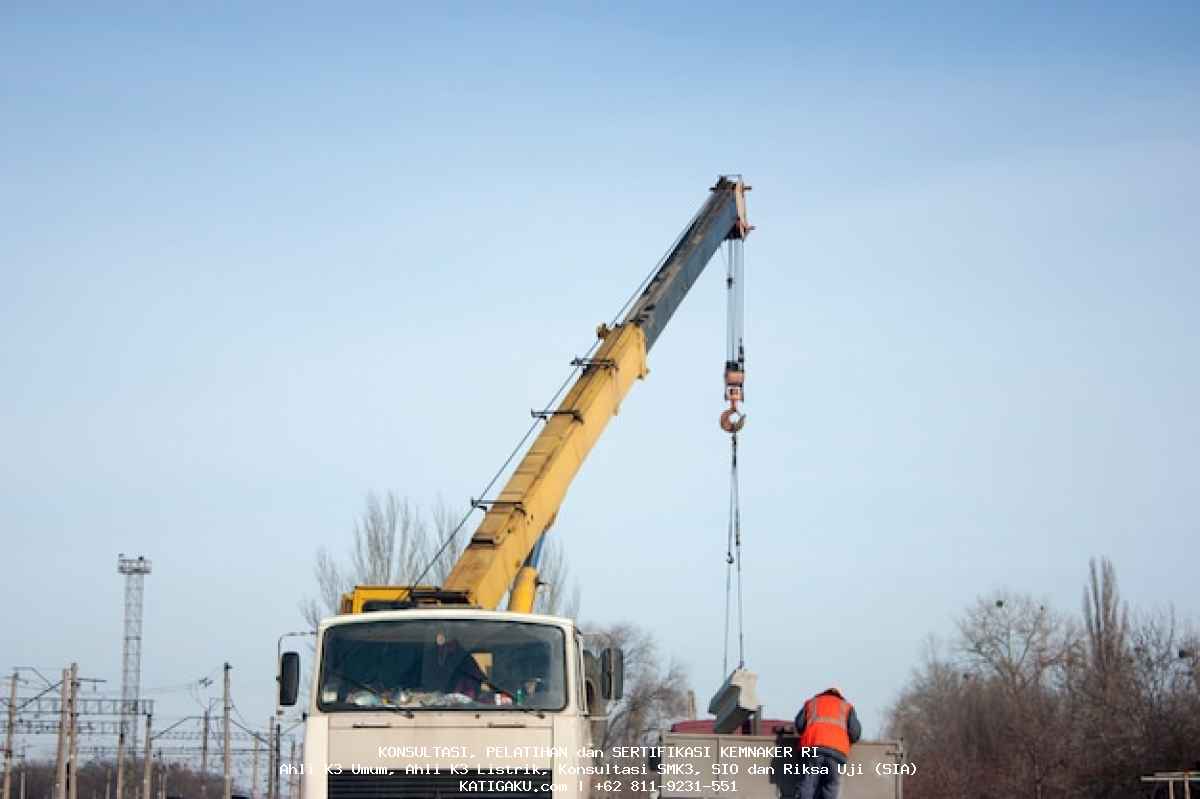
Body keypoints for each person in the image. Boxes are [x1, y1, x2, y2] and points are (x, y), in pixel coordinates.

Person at [793, 687, 861, 799]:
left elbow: (799, 725)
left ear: (823, 694)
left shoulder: (811, 703)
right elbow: (855, 734)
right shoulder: (847, 707)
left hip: (812, 747)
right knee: (831, 786)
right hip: (836, 751)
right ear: (839, 696)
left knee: (808, 784)